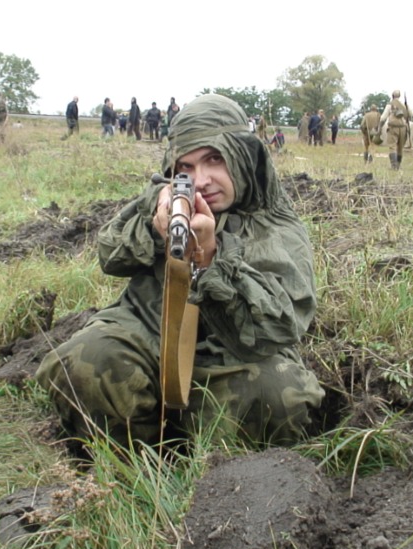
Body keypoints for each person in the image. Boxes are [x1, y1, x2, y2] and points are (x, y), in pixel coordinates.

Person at [35, 94, 324, 447]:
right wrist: (155, 219)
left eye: (214, 159)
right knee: (87, 359)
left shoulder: (277, 227)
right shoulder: (166, 202)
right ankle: (129, 468)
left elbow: (278, 329)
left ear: (244, 156)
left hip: (230, 357)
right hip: (147, 334)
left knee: (276, 395)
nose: (200, 180)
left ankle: (219, 479)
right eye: (185, 166)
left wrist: (211, 257)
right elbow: (111, 256)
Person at [379, 90, 411, 169]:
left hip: (393, 128)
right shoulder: (404, 105)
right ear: (399, 96)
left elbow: (383, 118)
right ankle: (399, 165)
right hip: (403, 128)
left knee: (392, 147)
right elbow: (412, 114)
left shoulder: (390, 105)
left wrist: (380, 126)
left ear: (392, 96)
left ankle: (394, 166)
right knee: (400, 148)